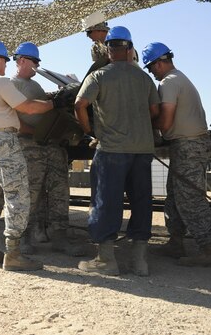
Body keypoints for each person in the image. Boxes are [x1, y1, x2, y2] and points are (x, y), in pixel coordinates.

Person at [74, 26, 160, 276]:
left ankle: (106, 261)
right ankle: (140, 262)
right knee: (142, 201)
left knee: (106, 202)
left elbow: (79, 104)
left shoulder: (99, 76)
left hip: (111, 149)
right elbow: (155, 111)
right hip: (142, 150)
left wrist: (91, 131)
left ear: (108, 51)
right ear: (130, 50)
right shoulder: (144, 78)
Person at [0, 39, 61, 272]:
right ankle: (13, 253)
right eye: (5, 61)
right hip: (4, 141)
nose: (5, 66)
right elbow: (29, 108)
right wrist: (54, 103)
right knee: (17, 195)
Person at [142, 42, 211, 267]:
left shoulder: (169, 83)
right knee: (175, 195)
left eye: (150, 67)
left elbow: (165, 123)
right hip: (189, 144)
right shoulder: (178, 78)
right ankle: (176, 242)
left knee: (190, 197)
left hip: (188, 145)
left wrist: (145, 123)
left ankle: (208, 249)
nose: (151, 72)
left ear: (159, 62)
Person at [10, 42, 85, 257]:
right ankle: (23, 237)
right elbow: (15, 117)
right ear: (22, 60)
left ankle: (60, 236)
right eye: (34, 62)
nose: (36, 66)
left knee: (59, 190)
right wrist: (34, 133)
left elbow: (43, 106)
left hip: (51, 143)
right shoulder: (12, 85)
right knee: (30, 192)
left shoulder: (35, 86)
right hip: (29, 144)